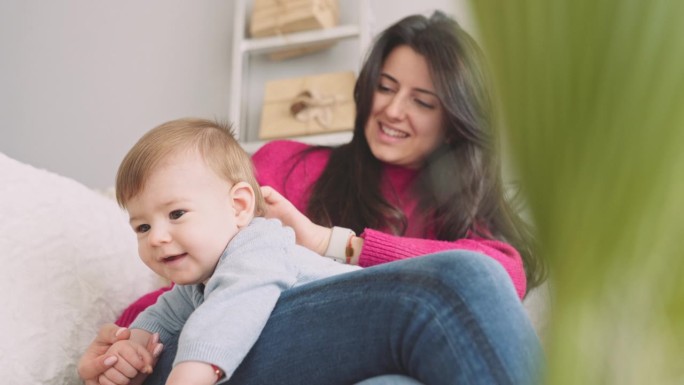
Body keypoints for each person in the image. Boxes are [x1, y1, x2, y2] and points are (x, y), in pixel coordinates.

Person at [79, 10, 544, 385]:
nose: (393, 110)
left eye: (423, 101)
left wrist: (330, 243)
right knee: (459, 280)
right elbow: (188, 288)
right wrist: (125, 343)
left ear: (455, 120)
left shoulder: (457, 207)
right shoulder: (287, 166)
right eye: (384, 87)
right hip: (212, 352)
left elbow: (502, 275)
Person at [95, 118, 362, 385]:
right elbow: (161, 316)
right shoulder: (196, 285)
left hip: (361, 325)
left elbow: (224, 320)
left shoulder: (259, 247)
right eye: (143, 227)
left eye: (176, 214)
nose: (155, 237)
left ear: (239, 206)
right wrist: (131, 348)